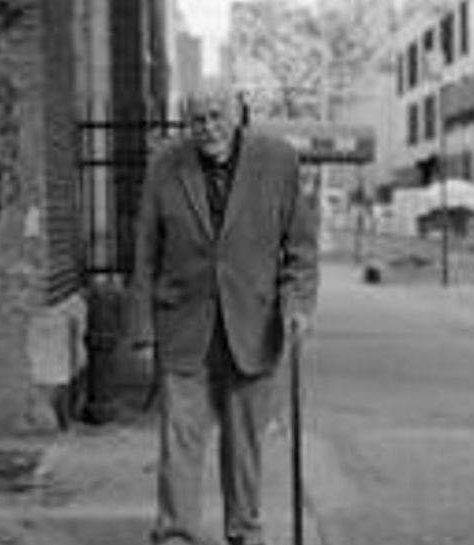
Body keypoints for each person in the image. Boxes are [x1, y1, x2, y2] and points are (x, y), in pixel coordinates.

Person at [131, 87, 319, 545]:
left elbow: (300, 249)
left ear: (236, 115)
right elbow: (146, 251)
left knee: (244, 445)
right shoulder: (165, 165)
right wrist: (141, 328)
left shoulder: (278, 161)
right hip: (183, 323)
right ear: (186, 124)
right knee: (180, 442)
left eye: (216, 116)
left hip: (253, 324)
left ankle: (244, 531)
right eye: (197, 119)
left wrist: (296, 306)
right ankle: (176, 533)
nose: (207, 127)